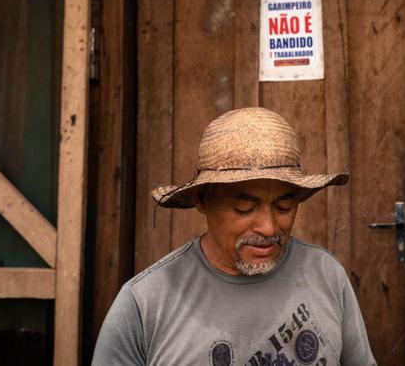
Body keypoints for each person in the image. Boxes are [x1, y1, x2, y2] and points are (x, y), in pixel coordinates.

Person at [92, 107, 376, 365]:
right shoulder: (144, 303)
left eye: (284, 206)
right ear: (201, 200)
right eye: (244, 208)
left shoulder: (326, 274)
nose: (268, 227)